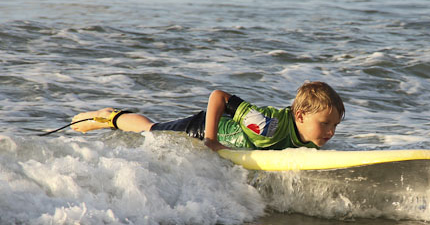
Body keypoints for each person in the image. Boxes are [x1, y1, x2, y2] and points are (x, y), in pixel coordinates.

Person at [71, 81, 344, 151]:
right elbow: (219, 97)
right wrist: (211, 139)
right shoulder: (266, 126)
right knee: (150, 131)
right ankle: (109, 116)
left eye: (335, 126)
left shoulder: (308, 137)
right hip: (201, 129)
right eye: (325, 124)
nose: (330, 132)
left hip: (224, 137)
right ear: (300, 116)